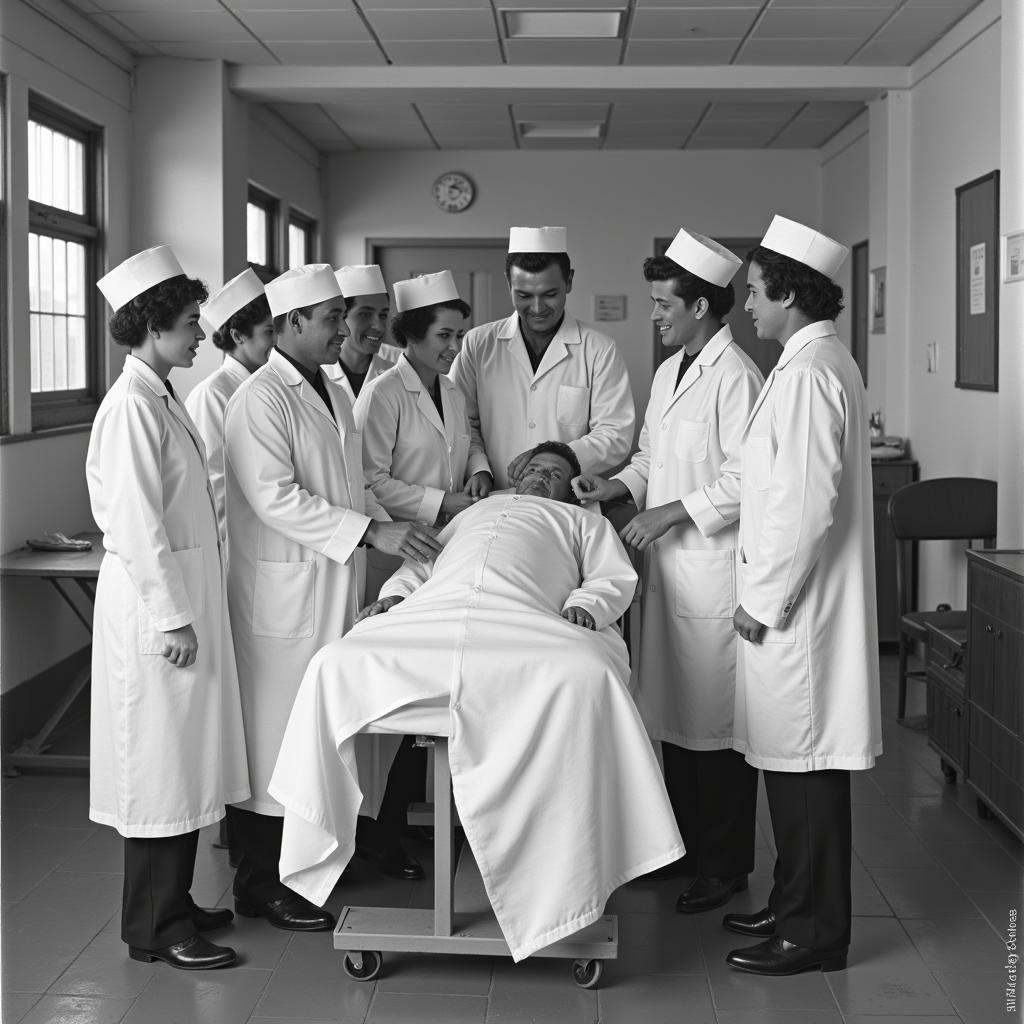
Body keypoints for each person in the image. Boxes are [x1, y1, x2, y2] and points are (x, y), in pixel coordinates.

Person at [267, 441, 685, 962]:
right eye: (533, 468)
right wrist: (395, 598)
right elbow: (420, 567)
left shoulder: (582, 524)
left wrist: (585, 606)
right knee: (331, 663)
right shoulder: (475, 513)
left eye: (555, 474)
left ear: (573, 491)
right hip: (436, 620)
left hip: (524, 624)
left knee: (590, 672)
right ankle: (319, 843)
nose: (540, 477)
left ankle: (571, 868)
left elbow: (611, 579)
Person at [222, 263, 443, 931]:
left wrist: (400, 523)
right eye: (329, 320)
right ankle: (260, 882)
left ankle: (313, 857)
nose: (342, 329)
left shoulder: (332, 388)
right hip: (282, 597)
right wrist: (373, 530)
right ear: (292, 324)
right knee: (272, 741)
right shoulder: (261, 398)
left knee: (317, 731)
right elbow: (276, 498)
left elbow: (350, 484)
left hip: (328, 585)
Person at [573, 228, 763, 914]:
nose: (654, 314)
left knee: (715, 727)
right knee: (674, 720)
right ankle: (682, 851)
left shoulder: (737, 377)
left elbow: (749, 479)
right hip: (672, 573)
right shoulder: (671, 369)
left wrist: (671, 513)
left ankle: (725, 866)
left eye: (664, 303)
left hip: (710, 572)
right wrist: (614, 487)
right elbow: (653, 457)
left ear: (703, 308)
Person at [725, 216, 882, 976]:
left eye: (755, 292)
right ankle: (790, 900)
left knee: (809, 775)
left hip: (797, 612)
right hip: (792, 604)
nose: (747, 306)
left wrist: (764, 601)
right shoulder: (808, 363)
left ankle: (813, 933)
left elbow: (806, 504)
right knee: (788, 771)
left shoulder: (814, 372)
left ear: (788, 291)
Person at [87, 246, 250, 970]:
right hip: (156, 615)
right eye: (189, 323)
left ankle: (176, 905)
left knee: (180, 765)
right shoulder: (129, 407)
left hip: (176, 604)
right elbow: (135, 526)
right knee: (158, 770)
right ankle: (154, 928)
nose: (198, 336)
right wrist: (172, 618)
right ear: (153, 326)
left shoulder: (158, 394)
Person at [450, 225, 635, 492]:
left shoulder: (599, 349)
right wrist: (479, 468)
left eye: (550, 294)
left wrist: (553, 455)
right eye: (524, 296)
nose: (537, 309)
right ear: (508, 283)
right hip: (493, 494)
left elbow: (615, 433)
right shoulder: (479, 343)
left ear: (569, 281)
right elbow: (462, 423)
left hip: (564, 500)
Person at [353, 270, 479, 528]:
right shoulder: (382, 394)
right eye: (444, 336)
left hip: (448, 534)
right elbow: (370, 483)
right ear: (412, 335)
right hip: (396, 544)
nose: (456, 347)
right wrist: (442, 502)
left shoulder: (452, 392)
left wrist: (480, 471)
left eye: (459, 335)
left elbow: (463, 447)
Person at [184, 268, 274, 537]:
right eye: (269, 331)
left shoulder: (270, 387)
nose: (278, 341)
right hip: (235, 538)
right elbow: (214, 482)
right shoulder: (212, 394)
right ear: (238, 336)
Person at [323, 263, 399, 405]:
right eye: (365, 314)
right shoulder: (319, 373)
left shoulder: (398, 368)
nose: (379, 327)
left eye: (383, 315)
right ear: (341, 316)